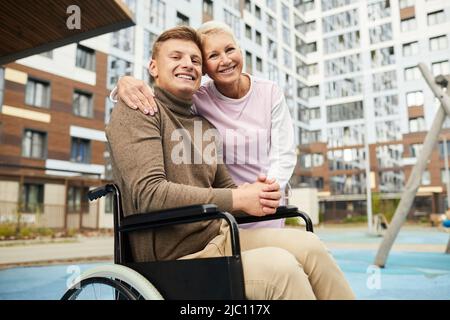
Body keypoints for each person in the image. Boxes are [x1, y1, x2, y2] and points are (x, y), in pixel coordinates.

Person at [106, 26, 355, 300]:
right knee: (283, 269)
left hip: (220, 235)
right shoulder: (139, 111)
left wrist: (258, 195)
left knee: (310, 246)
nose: (187, 64)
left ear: (202, 75)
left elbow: (228, 187)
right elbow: (149, 194)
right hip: (178, 255)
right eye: (175, 57)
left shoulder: (203, 124)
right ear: (153, 67)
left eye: (195, 60)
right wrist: (124, 82)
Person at [110, 21, 296, 229]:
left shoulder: (267, 93)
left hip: (256, 200)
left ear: (240, 51)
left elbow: (284, 153)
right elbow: (157, 98)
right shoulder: (198, 97)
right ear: (206, 70)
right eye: (213, 56)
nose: (225, 60)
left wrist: (266, 190)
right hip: (224, 210)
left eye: (230, 50)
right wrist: (123, 85)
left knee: (306, 246)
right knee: (286, 257)